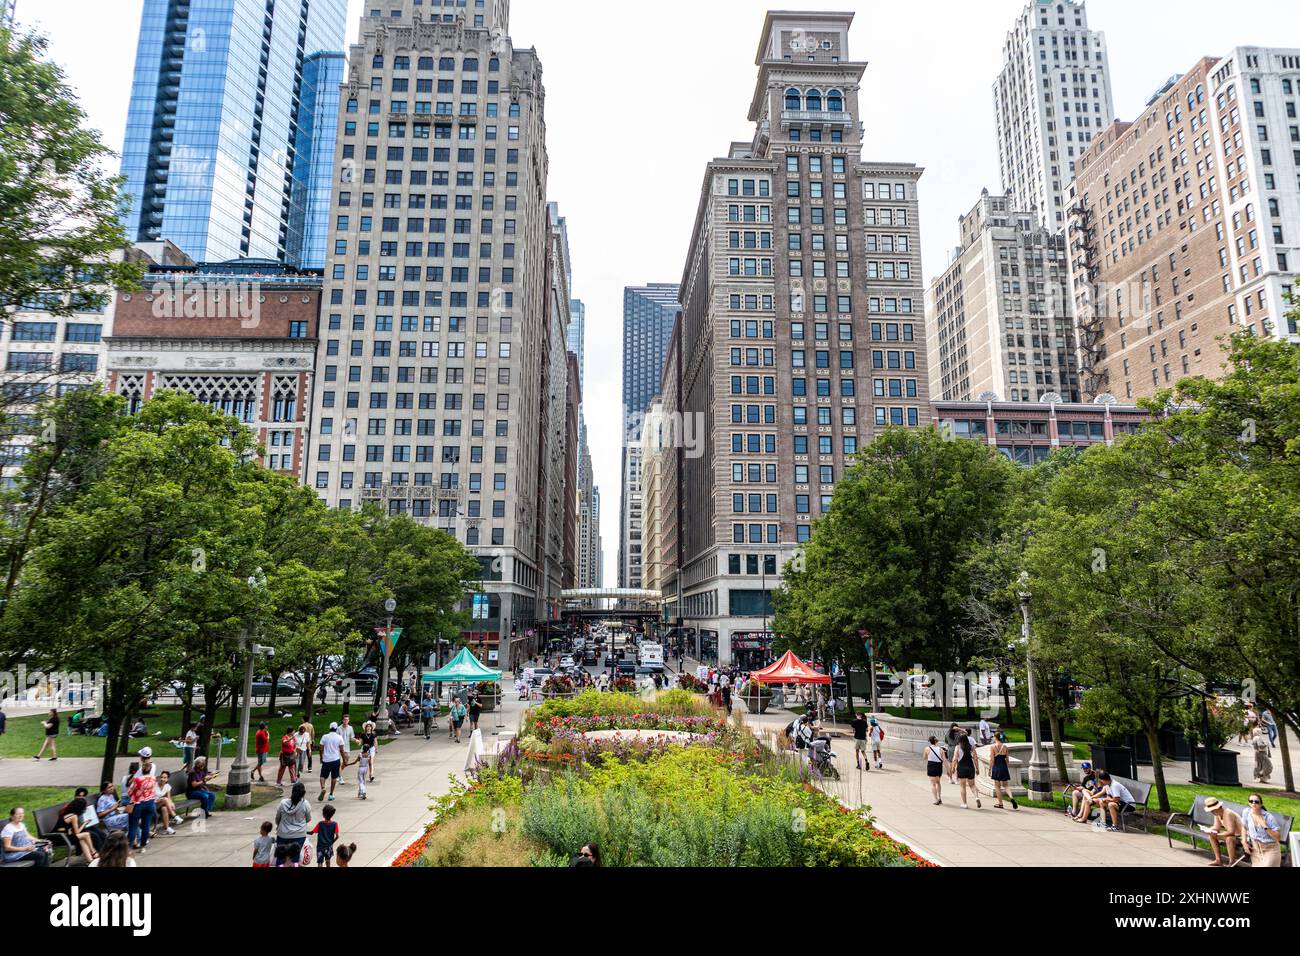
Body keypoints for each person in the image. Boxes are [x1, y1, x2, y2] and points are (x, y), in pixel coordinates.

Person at [127, 748, 160, 852]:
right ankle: (143, 846)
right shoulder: (153, 777)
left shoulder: (138, 779)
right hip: (150, 802)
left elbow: (130, 791)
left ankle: (128, 847)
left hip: (138, 803)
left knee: (133, 825)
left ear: (142, 757)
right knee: (146, 825)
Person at [274, 782, 312, 867]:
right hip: (299, 835)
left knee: (281, 857)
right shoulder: (305, 804)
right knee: (295, 858)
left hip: (283, 834)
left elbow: (277, 819)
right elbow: (308, 819)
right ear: (303, 793)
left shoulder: (283, 803)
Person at [1241, 794, 1283, 867]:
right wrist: (1244, 843)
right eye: (1251, 801)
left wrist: (1265, 827)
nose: (1253, 803)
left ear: (1261, 804)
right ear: (1248, 803)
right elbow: (1244, 827)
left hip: (1271, 850)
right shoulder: (1246, 812)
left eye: (1256, 802)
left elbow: (1278, 837)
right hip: (1255, 850)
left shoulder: (1269, 817)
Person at [57, 788, 100, 861]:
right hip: (60, 837)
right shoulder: (74, 817)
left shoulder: (69, 813)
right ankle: (94, 852)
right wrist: (84, 824)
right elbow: (77, 832)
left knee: (82, 839)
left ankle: (90, 861)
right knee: (86, 834)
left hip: (66, 835)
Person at [1203, 797, 1245, 867]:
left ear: (1219, 807)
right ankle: (1218, 860)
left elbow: (1231, 832)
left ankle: (1232, 862)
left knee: (1229, 838)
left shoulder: (1228, 813)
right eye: (1211, 810)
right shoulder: (1217, 814)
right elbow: (1216, 827)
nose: (1212, 812)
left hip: (1242, 837)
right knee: (1212, 835)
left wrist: (1218, 835)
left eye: (1213, 810)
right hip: (1234, 835)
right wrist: (1208, 830)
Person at [949, 729, 981, 810]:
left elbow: (955, 759)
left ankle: (964, 803)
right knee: (972, 785)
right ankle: (976, 797)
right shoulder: (972, 747)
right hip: (970, 767)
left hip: (961, 768)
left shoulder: (958, 747)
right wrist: (977, 768)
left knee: (962, 786)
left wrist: (952, 768)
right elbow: (976, 758)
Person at [988, 732, 1017, 810]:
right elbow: (1007, 760)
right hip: (1004, 767)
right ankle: (1011, 797)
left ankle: (1000, 804)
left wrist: (990, 769)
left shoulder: (992, 747)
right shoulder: (1005, 747)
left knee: (997, 786)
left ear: (995, 737)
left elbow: (992, 760)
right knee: (1006, 785)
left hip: (996, 767)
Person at [318, 722, 344, 802]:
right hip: (335, 759)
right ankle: (331, 794)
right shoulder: (339, 737)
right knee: (334, 777)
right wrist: (343, 758)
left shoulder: (325, 737)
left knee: (322, 776)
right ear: (336, 729)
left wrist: (321, 757)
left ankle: (323, 788)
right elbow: (341, 749)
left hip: (326, 760)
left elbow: (321, 748)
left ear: (329, 728)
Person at [154, 771, 178, 836]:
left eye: (164, 777)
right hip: (153, 805)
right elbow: (151, 799)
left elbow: (169, 798)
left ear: (167, 779)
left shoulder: (167, 786)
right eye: (161, 777)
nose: (162, 779)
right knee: (165, 799)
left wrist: (171, 803)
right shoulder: (154, 785)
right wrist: (160, 800)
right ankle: (174, 816)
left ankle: (166, 828)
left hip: (160, 804)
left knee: (164, 808)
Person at [925, 736, 947, 805]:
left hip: (931, 765)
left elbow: (924, 757)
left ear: (929, 741)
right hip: (939, 766)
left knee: (933, 784)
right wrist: (948, 769)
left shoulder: (927, 748)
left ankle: (936, 799)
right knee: (938, 782)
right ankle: (939, 797)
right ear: (936, 741)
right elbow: (944, 760)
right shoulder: (941, 749)